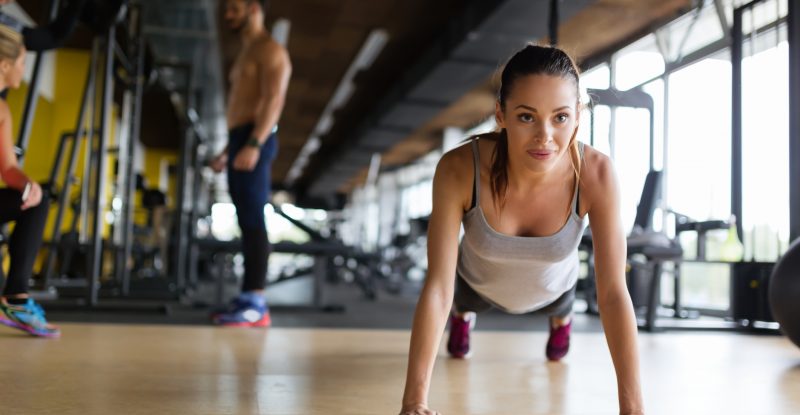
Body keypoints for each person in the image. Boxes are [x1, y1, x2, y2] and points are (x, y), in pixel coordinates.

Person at [399, 44, 643, 415]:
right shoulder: (459, 169)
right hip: (474, 286)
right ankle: (464, 320)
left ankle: (562, 321)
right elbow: (438, 286)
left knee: (559, 335)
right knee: (460, 305)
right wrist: (414, 402)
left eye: (560, 117)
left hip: (553, 290)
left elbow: (612, 293)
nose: (545, 136)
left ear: (578, 115)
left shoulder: (597, 173)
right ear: (501, 114)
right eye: (527, 117)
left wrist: (633, 409)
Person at [209, 0, 291, 327]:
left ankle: (256, 302)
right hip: (241, 137)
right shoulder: (247, 52)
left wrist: (255, 143)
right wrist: (229, 149)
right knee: (245, 219)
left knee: (254, 217)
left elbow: (274, 100)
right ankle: (247, 296)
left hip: (256, 138)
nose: (227, 15)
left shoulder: (271, 50)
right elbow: (242, 105)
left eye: (234, 9)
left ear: (253, 9)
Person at [0, 23, 58, 338]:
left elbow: (8, 167)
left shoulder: (2, 110)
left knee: (36, 201)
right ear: (5, 65)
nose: (24, 70)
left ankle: (17, 298)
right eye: (22, 62)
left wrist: (27, 185)